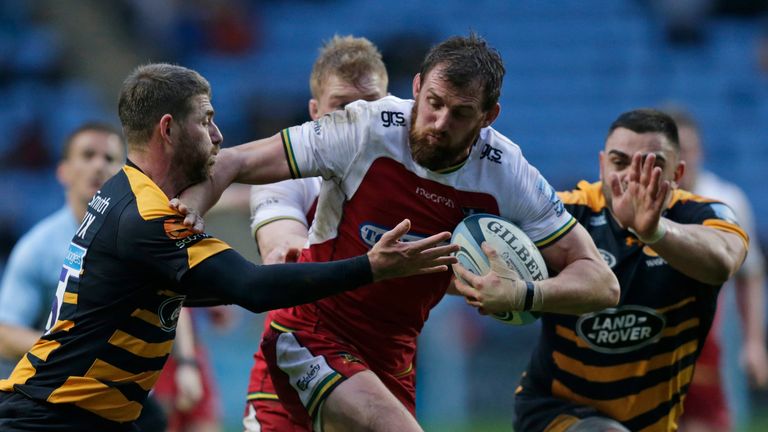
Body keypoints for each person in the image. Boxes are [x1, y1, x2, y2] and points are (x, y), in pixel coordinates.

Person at [177, 33, 619, 431]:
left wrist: (522, 294)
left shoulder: (508, 173)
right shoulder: (364, 127)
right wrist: (192, 209)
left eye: (461, 113)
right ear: (416, 88)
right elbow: (240, 168)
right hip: (311, 332)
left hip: (390, 361)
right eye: (435, 103)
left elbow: (601, 283)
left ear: (489, 116)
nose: (441, 122)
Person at [0, 63, 457, 432]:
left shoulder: (125, 194)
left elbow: (165, 287)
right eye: (206, 120)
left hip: (81, 413)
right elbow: (252, 288)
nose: (218, 135)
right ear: (168, 129)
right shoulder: (146, 215)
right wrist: (371, 267)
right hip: (51, 416)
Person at [457, 109, 748, 432]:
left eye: (650, 166)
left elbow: (723, 261)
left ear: (677, 174)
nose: (630, 177)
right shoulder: (564, 214)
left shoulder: (703, 214)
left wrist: (655, 232)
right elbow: (475, 260)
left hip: (653, 420)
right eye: (620, 163)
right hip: (556, 410)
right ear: (602, 164)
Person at [243, 34, 389, 431]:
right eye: (343, 107)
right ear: (314, 111)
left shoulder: (411, 185)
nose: (359, 122)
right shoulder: (284, 176)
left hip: (381, 368)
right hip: (295, 370)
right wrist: (285, 253)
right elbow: (281, 244)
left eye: (372, 108)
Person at [668, 109, 768, 432]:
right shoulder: (646, 202)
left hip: (716, 336)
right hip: (658, 334)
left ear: (701, 151)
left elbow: (750, 275)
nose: (683, 158)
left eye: (689, 148)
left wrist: (754, 342)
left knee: (713, 420)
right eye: (674, 149)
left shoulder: (726, 200)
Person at [0, 123, 125, 378]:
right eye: (88, 155)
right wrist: (71, 348)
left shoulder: (142, 238)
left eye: (109, 158)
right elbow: (5, 335)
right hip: (58, 392)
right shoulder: (38, 248)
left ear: (126, 176)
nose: (99, 166)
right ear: (64, 172)